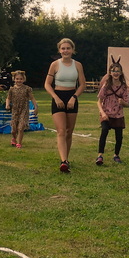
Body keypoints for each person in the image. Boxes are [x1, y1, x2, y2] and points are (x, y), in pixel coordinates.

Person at [44, 38, 86, 173]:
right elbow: (47, 84)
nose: (65, 51)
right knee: (61, 131)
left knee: (69, 131)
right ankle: (63, 161)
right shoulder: (55, 64)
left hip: (72, 97)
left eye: (68, 48)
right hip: (58, 97)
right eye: (63, 48)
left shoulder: (78, 65)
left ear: (73, 50)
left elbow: (82, 85)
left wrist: (74, 97)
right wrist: (55, 97)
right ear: (59, 50)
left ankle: (66, 159)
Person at [96, 58, 129, 165]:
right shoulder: (106, 85)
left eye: (118, 71)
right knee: (104, 131)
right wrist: (103, 113)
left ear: (121, 73)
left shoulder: (123, 87)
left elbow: (127, 103)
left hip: (118, 115)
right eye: (113, 71)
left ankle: (116, 155)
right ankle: (100, 155)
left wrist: (122, 102)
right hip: (106, 113)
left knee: (119, 136)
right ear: (110, 73)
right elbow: (99, 101)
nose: (116, 73)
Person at [5, 70, 35, 148]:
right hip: (15, 110)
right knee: (14, 129)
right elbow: (8, 98)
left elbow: (32, 98)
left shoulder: (27, 89)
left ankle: (19, 143)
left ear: (23, 79)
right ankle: (14, 138)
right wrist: (7, 104)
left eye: (21, 79)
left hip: (24, 110)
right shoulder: (12, 89)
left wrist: (36, 107)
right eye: (17, 79)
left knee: (21, 127)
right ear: (14, 79)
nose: (19, 80)